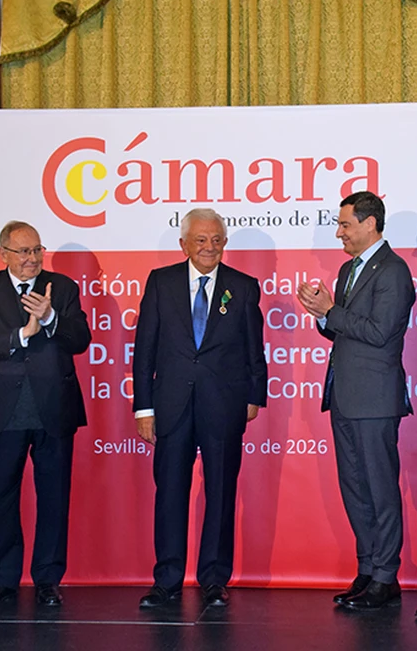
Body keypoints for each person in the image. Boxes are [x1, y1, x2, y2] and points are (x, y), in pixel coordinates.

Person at [132, 208, 267, 609]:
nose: (209, 247)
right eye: (201, 240)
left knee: (221, 493)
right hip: (170, 405)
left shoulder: (243, 287)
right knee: (170, 492)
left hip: (224, 405)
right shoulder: (161, 282)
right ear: (184, 244)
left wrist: (254, 396)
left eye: (216, 240)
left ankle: (214, 579)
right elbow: (145, 350)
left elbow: (253, 348)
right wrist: (143, 408)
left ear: (225, 243)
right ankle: (167, 579)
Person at [0, 221, 92, 609]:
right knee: (2, 498)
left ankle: (48, 580)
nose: (33, 258)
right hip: (2, 411)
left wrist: (50, 320)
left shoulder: (62, 288)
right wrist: (21, 335)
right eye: (24, 252)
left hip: (53, 408)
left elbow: (81, 340)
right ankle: (3, 581)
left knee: (54, 498)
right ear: (3, 254)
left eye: (37, 250)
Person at [297, 190, 416, 610]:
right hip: (345, 396)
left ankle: (387, 575)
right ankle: (367, 569)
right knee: (355, 487)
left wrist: (332, 311)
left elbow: (380, 331)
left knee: (380, 488)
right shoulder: (348, 269)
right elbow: (341, 330)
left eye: (345, 224)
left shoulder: (394, 271)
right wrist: (321, 313)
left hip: (376, 398)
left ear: (370, 224)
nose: (339, 233)